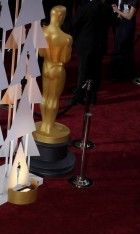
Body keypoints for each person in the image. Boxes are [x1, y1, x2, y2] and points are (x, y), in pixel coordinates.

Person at [35, 5, 72, 143]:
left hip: (46, 66)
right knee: (54, 98)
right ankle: (49, 126)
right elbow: (65, 59)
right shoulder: (66, 38)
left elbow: (41, 53)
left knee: (45, 96)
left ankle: (44, 124)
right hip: (57, 68)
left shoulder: (43, 32)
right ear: (61, 17)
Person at [71, 0, 112, 105]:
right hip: (100, 45)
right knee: (96, 70)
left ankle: (79, 96)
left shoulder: (84, 8)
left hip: (85, 45)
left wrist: (76, 40)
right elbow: (112, 23)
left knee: (83, 70)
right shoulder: (106, 8)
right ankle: (92, 96)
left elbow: (75, 24)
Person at [111, 0, 139, 81]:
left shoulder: (134, 1)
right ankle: (118, 73)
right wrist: (118, 13)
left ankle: (126, 73)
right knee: (118, 47)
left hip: (128, 27)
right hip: (120, 25)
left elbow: (130, 16)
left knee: (125, 48)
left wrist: (117, 11)